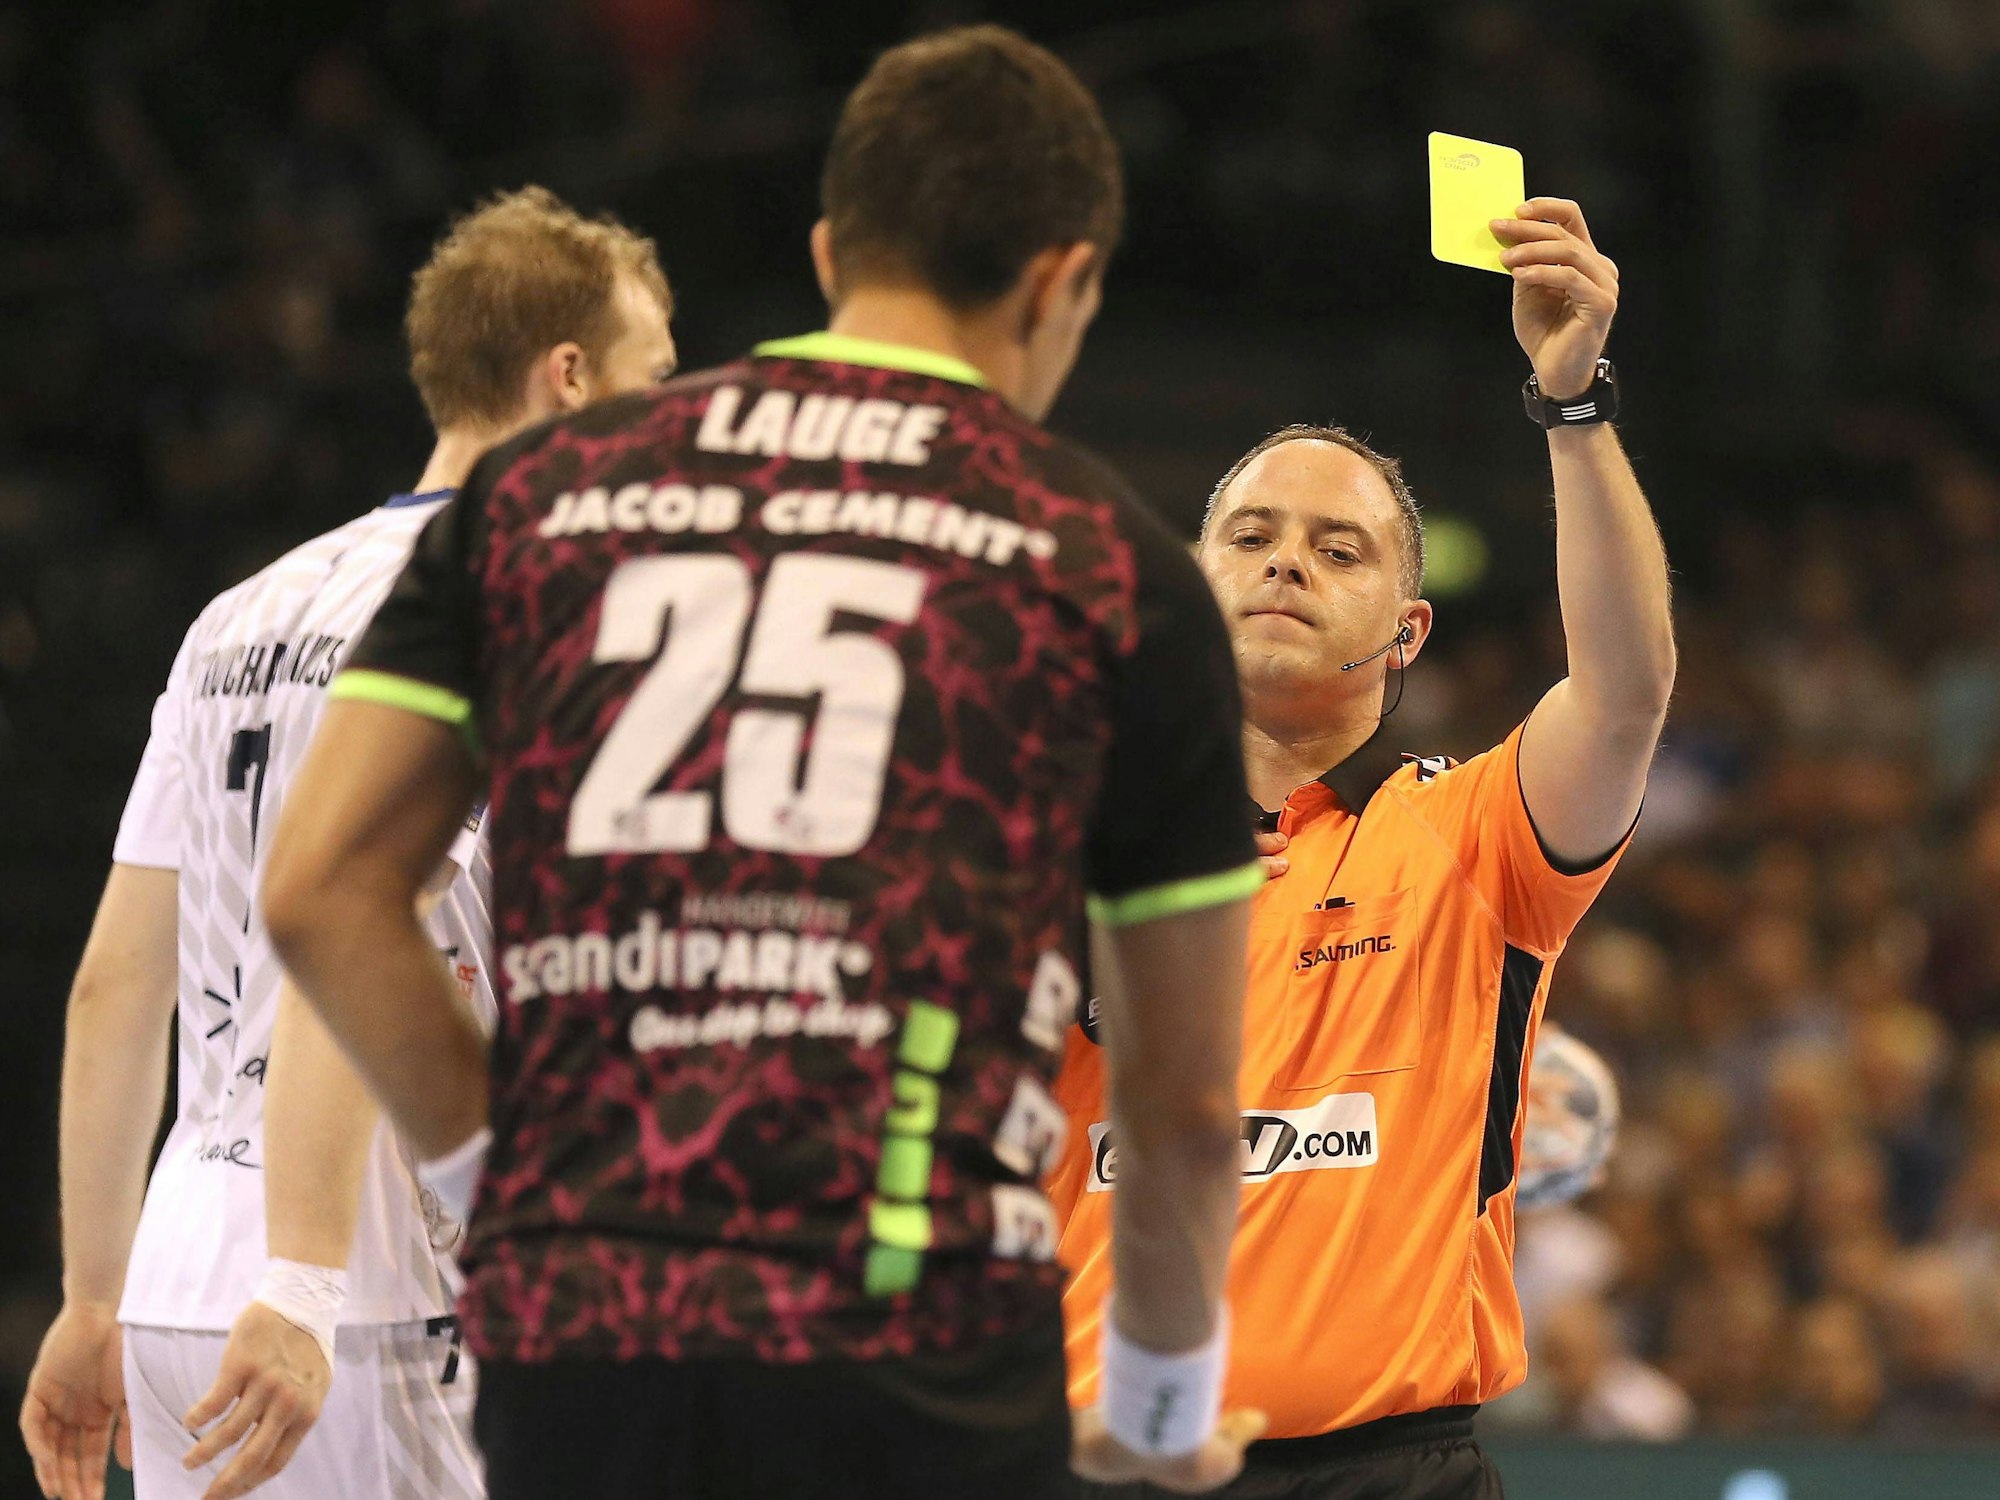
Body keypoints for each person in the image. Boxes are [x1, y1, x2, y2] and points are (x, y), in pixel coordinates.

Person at [256, 26, 1266, 1500]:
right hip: (919, 1349)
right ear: (1061, 281)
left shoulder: (542, 493)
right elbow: (1184, 1109)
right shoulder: (1107, 562)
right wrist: (1165, 1416)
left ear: (827, 251)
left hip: (585, 1341)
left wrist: (507, 1189)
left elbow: (321, 890)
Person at [18, 186, 676, 1500]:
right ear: (568, 378)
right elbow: (358, 921)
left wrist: (92, 1298)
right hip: (361, 1288)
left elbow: (115, 985)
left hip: (178, 1272)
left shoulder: (235, 617)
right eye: (652, 382)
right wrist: (308, 1277)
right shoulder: (517, 596)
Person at [1049, 197, 1676, 1499]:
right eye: (1252, 537)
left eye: (1341, 551)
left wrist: (1573, 407)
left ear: (1408, 631)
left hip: (1387, 1476)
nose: (1288, 565)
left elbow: (1622, 694)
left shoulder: (1467, 835)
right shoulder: (1063, 845)